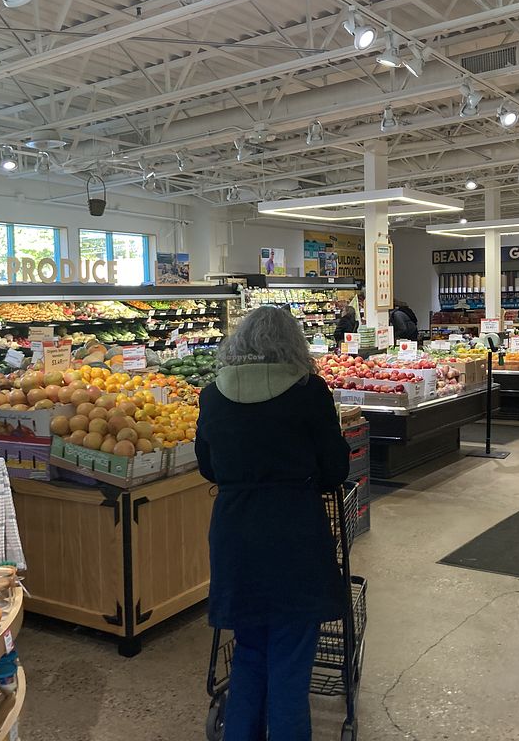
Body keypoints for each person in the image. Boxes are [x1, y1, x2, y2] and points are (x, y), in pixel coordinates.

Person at [196, 306, 350, 741]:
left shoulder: (213, 394)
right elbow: (334, 468)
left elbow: (208, 466)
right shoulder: (309, 391)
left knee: (249, 653)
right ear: (292, 344)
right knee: (290, 661)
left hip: (235, 534)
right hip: (294, 533)